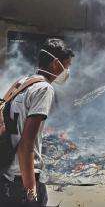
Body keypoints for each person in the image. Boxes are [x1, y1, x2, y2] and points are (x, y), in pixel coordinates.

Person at [0, 38, 74, 206]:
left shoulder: (22, 82)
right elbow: (26, 145)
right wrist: (31, 190)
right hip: (22, 179)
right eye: (67, 65)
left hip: (5, 175)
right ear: (56, 64)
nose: (67, 71)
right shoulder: (44, 89)